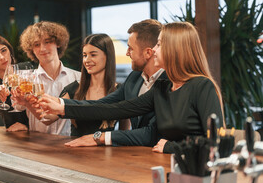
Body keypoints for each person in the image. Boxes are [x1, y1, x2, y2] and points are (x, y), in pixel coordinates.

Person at [39, 22, 225, 153]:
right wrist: (63, 107)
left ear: (175, 49)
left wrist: (171, 147)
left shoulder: (202, 86)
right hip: (164, 165)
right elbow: (117, 109)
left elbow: (217, 142)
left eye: (159, 44)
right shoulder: (162, 87)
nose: (155, 50)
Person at [52, 19, 165, 147]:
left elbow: (150, 133)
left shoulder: (168, 83)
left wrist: (98, 137)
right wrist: (61, 105)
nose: (127, 53)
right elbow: (105, 105)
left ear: (148, 52)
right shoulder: (134, 78)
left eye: (130, 48)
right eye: (84, 55)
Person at [13, 21, 80, 136]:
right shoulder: (26, 81)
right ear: (31, 49)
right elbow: (17, 106)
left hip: (71, 145)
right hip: (38, 146)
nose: (42, 48)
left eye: (47, 42)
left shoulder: (78, 78)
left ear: (58, 43)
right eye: (36, 44)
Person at [60, 33, 129, 136]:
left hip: (108, 151)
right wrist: (30, 103)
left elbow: (124, 132)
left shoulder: (120, 91)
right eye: (84, 55)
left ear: (107, 56)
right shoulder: (73, 89)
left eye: (93, 55)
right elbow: (47, 118)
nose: (87, 60)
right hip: (75, 150)